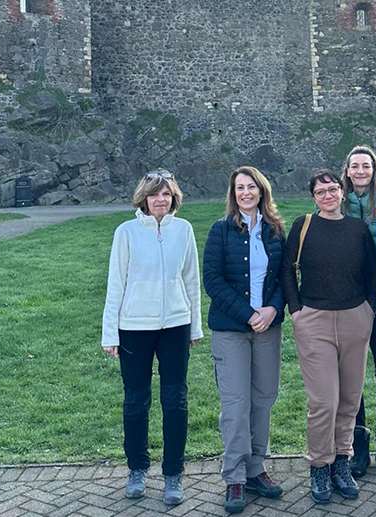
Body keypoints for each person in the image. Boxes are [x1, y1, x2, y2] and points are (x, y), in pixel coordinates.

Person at [101, 169, 203, 506]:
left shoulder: (183, 230)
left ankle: (173, 473)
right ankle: (137, 469)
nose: (161, 200)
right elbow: (116, 283)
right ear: (143, 198)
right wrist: (110, 332)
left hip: (174, 325)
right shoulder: (126, 232)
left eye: (167, 194)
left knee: (175, 401)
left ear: (174, 198)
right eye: (154, 194)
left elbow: (191, 280)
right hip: (134, 327)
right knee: (135, 401)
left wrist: (195, 326)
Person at [281, 169, 376, 505]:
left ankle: (342, 462)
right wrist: (297, 312)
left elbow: (372, 274)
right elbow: (286, 269)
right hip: (314, 320)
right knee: (324, 402)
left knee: (350, 400)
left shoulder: (357, 229)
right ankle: (319, 466)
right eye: (321, 191)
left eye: (333, 189)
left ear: (342, 192)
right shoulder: (303, 225)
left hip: (355, 318)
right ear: (313, 197)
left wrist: (368, 310)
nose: (328, 195)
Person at [203, 166, 286, 514]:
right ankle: (234, 476)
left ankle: (255, 469)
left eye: (251, 187)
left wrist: (271, 309)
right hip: (232, 330)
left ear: (262, 191)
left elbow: (286, 277)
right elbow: (213, 280)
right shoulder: (221, 231)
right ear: (232, 193)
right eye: (239, 188)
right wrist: (248, 314)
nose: (246, 193)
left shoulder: (274, 231)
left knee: (263, 398)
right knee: (236, 405)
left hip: (268, 328)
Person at [339, 146, 376, 479]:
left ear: (374, 169)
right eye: (354, 166)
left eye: (366, 165)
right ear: (347, 171)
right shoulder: (337, 202)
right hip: (350, 301)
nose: (360, 171)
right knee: (353, 377)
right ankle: (358, 444)